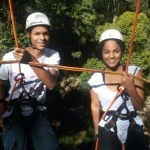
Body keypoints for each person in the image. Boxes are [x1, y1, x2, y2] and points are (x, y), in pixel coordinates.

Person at [0, 12, 60, 150]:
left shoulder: (52, 56)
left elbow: (51, 84)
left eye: (46, 33)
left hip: (37, 113)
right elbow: (0, 85)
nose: (42, 38)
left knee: (49, 147)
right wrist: (0, 114)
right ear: (28, 34)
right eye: (37, 33)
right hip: (13, 113)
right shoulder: (10, 57)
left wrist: (31, 60)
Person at [88, 29, 149, 150]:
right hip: (108, 126)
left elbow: (140, 106)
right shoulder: (96, 78)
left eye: (116, 51)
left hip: (133, 123)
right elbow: (95, 106)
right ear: (101, 53)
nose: (111, 56)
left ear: (121, 51)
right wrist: (97, 131)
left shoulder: (134, 72)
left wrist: (131, 87)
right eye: (107, 52)